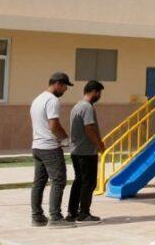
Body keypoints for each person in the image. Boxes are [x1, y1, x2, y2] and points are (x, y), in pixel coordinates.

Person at [30, 72, 74, 228]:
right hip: (50, 147)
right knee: (58, 180)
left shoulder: (37, 99)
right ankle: (55, 217)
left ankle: (37, 217)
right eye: (64, 87)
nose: (65, 91)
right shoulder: (52, 100)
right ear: (57, 84)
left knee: (39, 182)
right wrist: (64, 138)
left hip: (37, 146)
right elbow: (53, 124)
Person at [67, 80, 105, 224]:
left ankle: (72, 212)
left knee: (79, 181)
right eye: (99, 93)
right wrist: (100, 144)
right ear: (94, 92)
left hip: (76, 150)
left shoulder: (77, 106)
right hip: (86, 152)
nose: (99, 96)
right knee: (89, 183)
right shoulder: (87, 107)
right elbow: (89, 128)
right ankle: (84, 213)